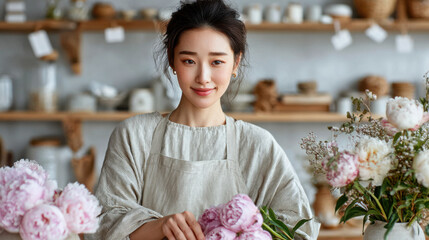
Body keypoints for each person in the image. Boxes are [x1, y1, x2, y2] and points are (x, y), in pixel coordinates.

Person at [87, 0, 320, 239]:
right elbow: (105, 225)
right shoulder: (134, 136)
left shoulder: (258, 144)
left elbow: (300, 230)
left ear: (235, 63)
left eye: (216, 62)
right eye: (189, 61)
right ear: (172, 60)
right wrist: (160, 226)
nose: (203, 77)